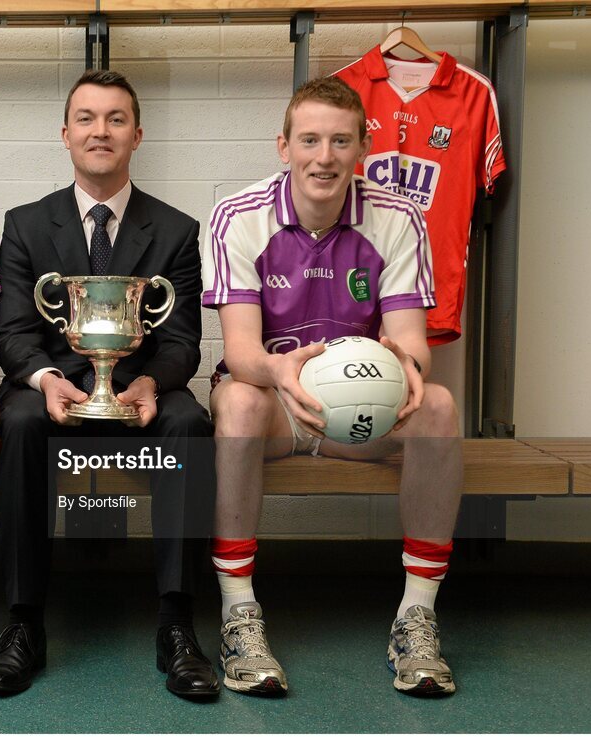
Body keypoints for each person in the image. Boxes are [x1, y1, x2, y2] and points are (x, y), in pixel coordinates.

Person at [202, 76, 462, 697]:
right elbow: (239, 353)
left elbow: (411, 341)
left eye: (341, 141)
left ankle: (416, 617)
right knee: (236, 400)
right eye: (311, 140)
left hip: (357, 411)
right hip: (273, 401)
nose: (325, 156)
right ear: (284, 145)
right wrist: (278, 373)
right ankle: (239, 613)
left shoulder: (398, 217)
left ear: (361, 148)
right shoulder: (238, 216)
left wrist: (407, 369)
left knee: (441, 406)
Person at [0, 69, 219, 699]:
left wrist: (148, 385)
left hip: (137, 392)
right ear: (66, 134)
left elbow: (182, 343)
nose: (101, 131)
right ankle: (23, 624)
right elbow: (12, 336)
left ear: (137, 134)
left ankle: (177, 625)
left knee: (190, 421)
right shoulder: (27, 225)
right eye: (86, 118)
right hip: (55, 395)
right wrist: (47, 378)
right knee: (20, 418)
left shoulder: (175, 231)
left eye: (116, 119)